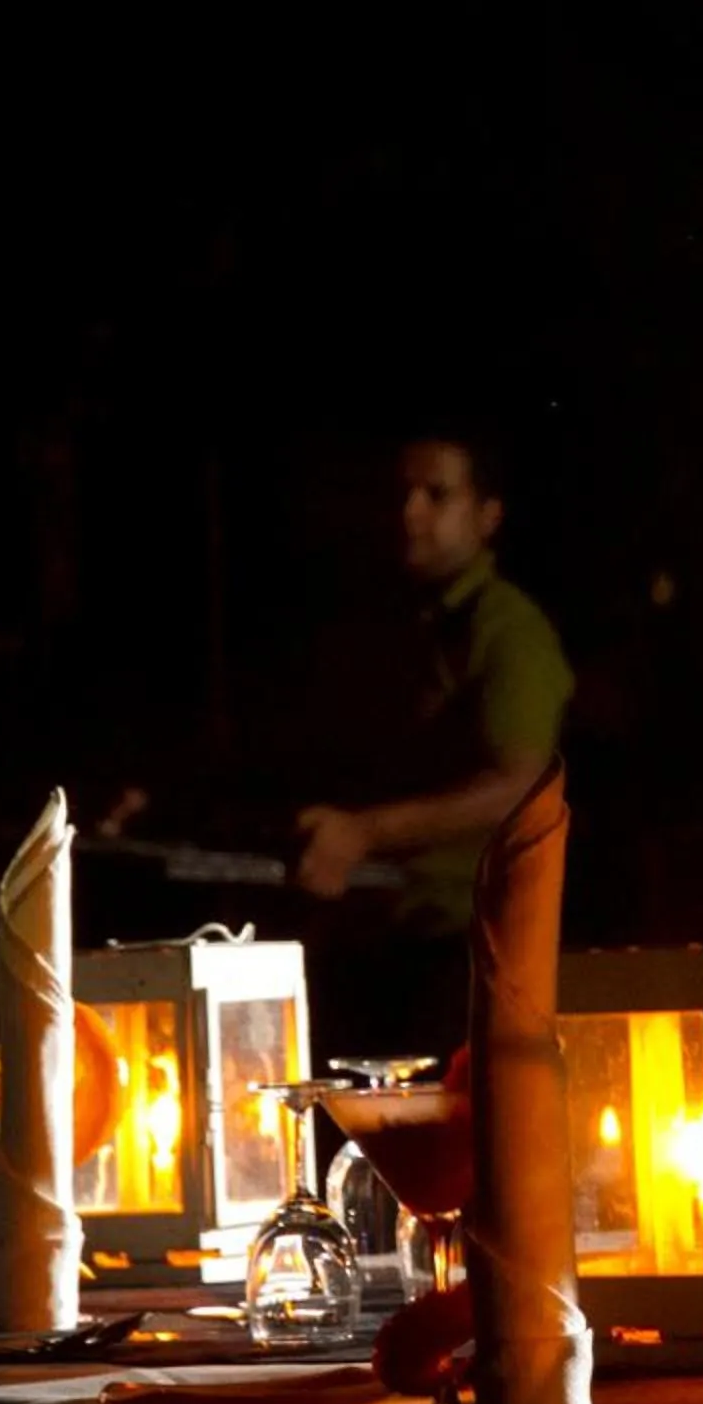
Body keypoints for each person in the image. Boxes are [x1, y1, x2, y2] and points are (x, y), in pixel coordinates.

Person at [288, 433, 575, 1052]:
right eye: (402, 494)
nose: (409, 511)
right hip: (370, 940)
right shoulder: (389, 626)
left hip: (465, 951)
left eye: (436, 494)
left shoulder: (508, 631)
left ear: (488, 514)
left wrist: (365, 833)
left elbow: (520, 783)